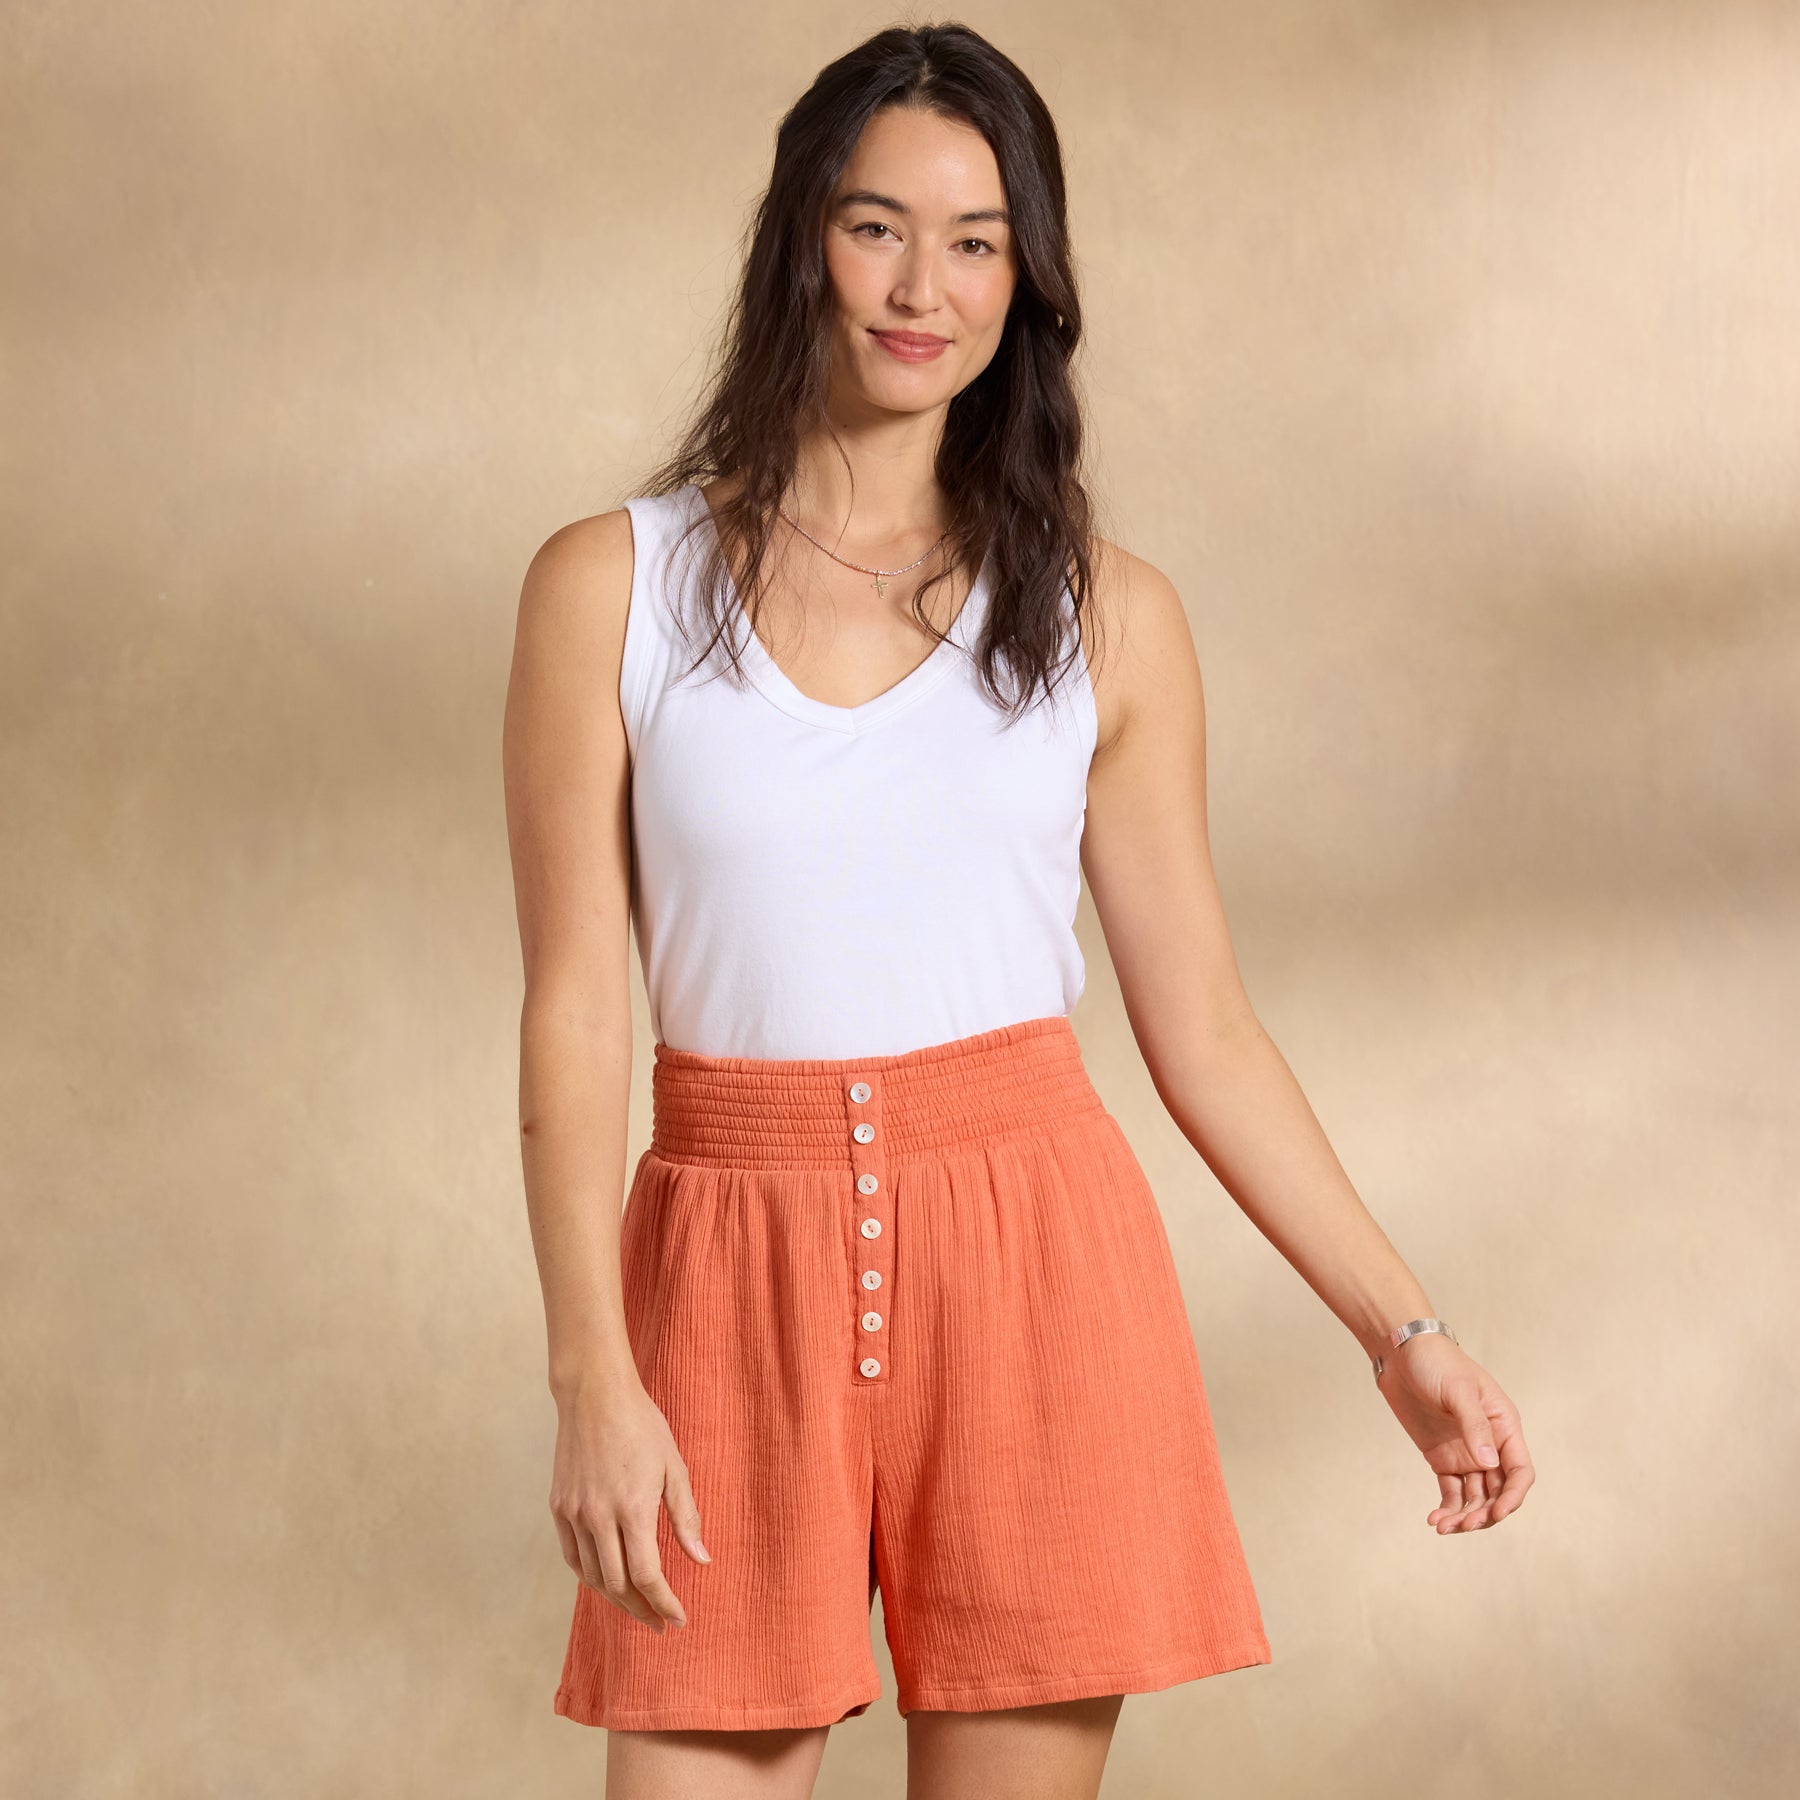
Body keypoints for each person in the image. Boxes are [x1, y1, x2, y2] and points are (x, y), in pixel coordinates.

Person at [502, 21, 1535, 1799]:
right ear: (799, 243)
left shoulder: (1108, 620)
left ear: (1026, 282)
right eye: (878, 227)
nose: (926, 288)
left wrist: (1404, 1332)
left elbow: (1205, 1032)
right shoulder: (613, 586)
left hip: (1036, 1269)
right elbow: (579, 1010)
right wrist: (592, 1372)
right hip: (723, 1273)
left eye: (977, 241)